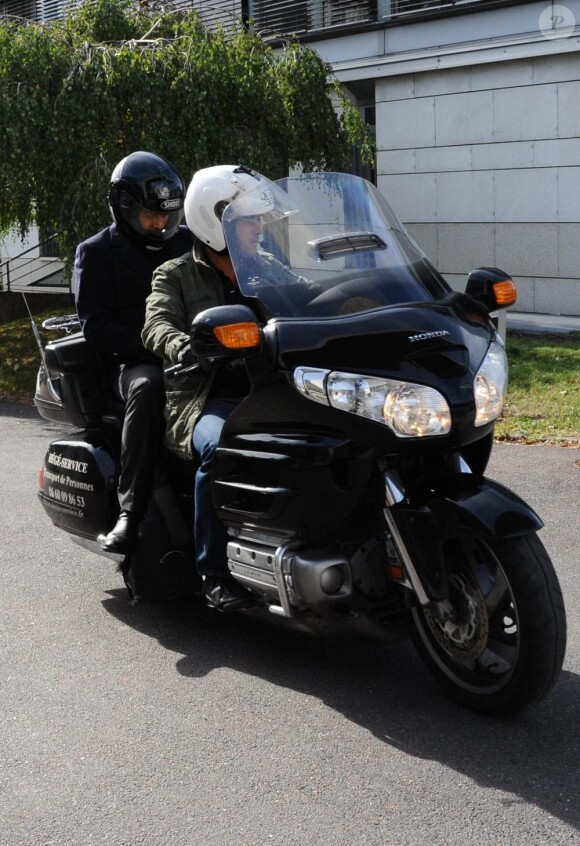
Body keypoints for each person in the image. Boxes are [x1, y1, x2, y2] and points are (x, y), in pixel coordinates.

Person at [142, 164, 282, 612]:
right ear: (214, 224)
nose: (258, 229)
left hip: (269, 390)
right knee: (221, 450)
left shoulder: (266, 269)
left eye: (258, 220)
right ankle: (214, 575)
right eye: (248, 222)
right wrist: (187, 346)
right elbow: (156, 325)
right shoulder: (175, 275)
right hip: (205, 399)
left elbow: (309, 299)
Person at [74, 151, 194, 553]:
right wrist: (156, 343)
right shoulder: (96, 251)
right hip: (133, 363)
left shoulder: (188, 241)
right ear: (124, 209)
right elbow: (96, 326)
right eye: (150, 215)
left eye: (166, 214)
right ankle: (131, 509)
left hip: (195, 350)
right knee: (150, 387)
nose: (160, 223)